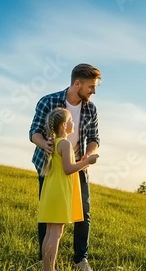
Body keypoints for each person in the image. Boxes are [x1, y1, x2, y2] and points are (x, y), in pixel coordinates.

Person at [29, 63, 101, 270]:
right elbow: (34, 132)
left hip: (77, 164)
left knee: (83, 212)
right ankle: (46, 262)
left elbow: (95, 137)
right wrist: (46, 144)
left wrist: (86, 156)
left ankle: (80, 259)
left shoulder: (91, 108)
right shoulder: (48, 101)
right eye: (91, 87)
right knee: (49, 215)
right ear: (77, 83)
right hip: (50, 166)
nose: (93, 91)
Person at [38, 107, 99, 271]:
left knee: (51, 232)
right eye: (71, 120)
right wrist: (88, 161)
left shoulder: (55, 143)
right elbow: (68, 169)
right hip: (60, 191)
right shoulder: (64, 144)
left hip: (52, 189)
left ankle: (47, 268)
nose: (74, 123)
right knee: (56, 233)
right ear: (65, 125)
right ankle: (49, 269)